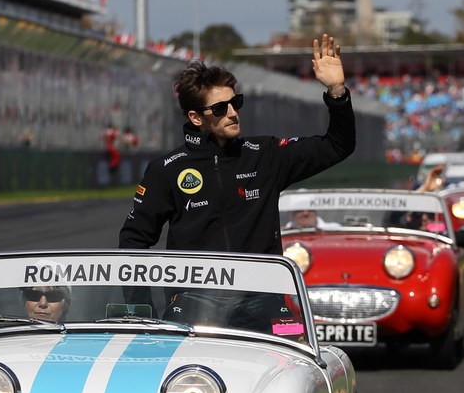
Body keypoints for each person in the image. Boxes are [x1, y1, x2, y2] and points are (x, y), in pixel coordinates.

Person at [119, 33, 354, 253]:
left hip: (261, 295)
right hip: (196, 296)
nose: (232, 113)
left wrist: (336, 91)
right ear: (195, 117)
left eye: (236, 102)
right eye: (220, 108)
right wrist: (140, 298)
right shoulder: (167, 170)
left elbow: (337, 145)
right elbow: (134, 240)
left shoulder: (265, 155)